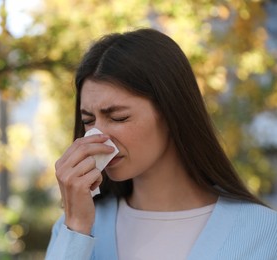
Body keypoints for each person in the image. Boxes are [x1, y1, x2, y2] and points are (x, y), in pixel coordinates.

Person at [45, 28, 277, 260]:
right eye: (88, 120)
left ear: (171, 112)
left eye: (119, 118)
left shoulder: (263, 233)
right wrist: (75, 229)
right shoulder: (75, 229)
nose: (97, 136)